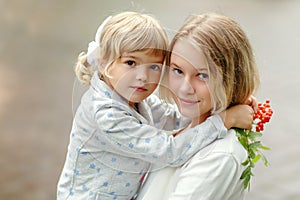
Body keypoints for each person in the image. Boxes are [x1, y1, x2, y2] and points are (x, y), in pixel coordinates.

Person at [57, 12, 255, 200]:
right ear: (103, 63)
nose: (143, 77)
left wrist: (226, 104)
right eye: (131, 63)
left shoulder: (132, 97)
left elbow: (172, 118)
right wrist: (224, 120)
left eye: (154, 67)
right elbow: (170, 152)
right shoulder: (105, 115)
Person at [137, 13, 260, 200]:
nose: (185, 88)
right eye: (178, 70)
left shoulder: (219, 155)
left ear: (231, 79)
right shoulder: (182, 121)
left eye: (202, 75)